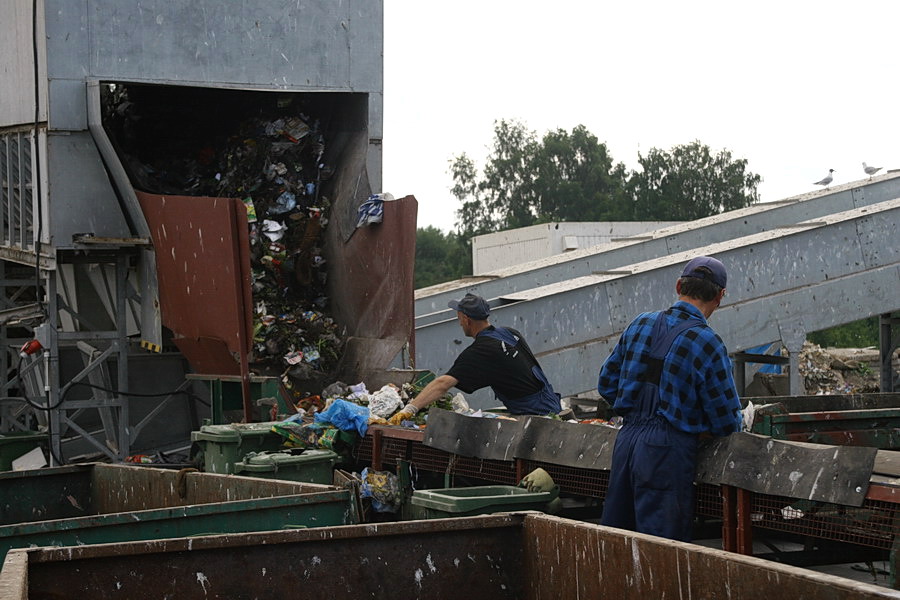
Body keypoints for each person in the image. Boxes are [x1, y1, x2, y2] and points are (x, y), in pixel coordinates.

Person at [597, 256, 743, 542]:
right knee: (661, 547)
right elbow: (726, 421)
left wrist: (636, 408)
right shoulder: (708, 342)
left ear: (679, 285)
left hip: (626, 442)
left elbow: (606, 383)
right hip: (666, 450)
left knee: (616, 540)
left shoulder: (640, 323)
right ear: (720, 296)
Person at [388, 293, 562, 424]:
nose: (459, 323)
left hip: (536, 417)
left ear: (466, 319)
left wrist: (409, 410)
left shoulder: (482, 351)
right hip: (552, 404)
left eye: (459, 318)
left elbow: (443, 384)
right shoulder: (509, 333)